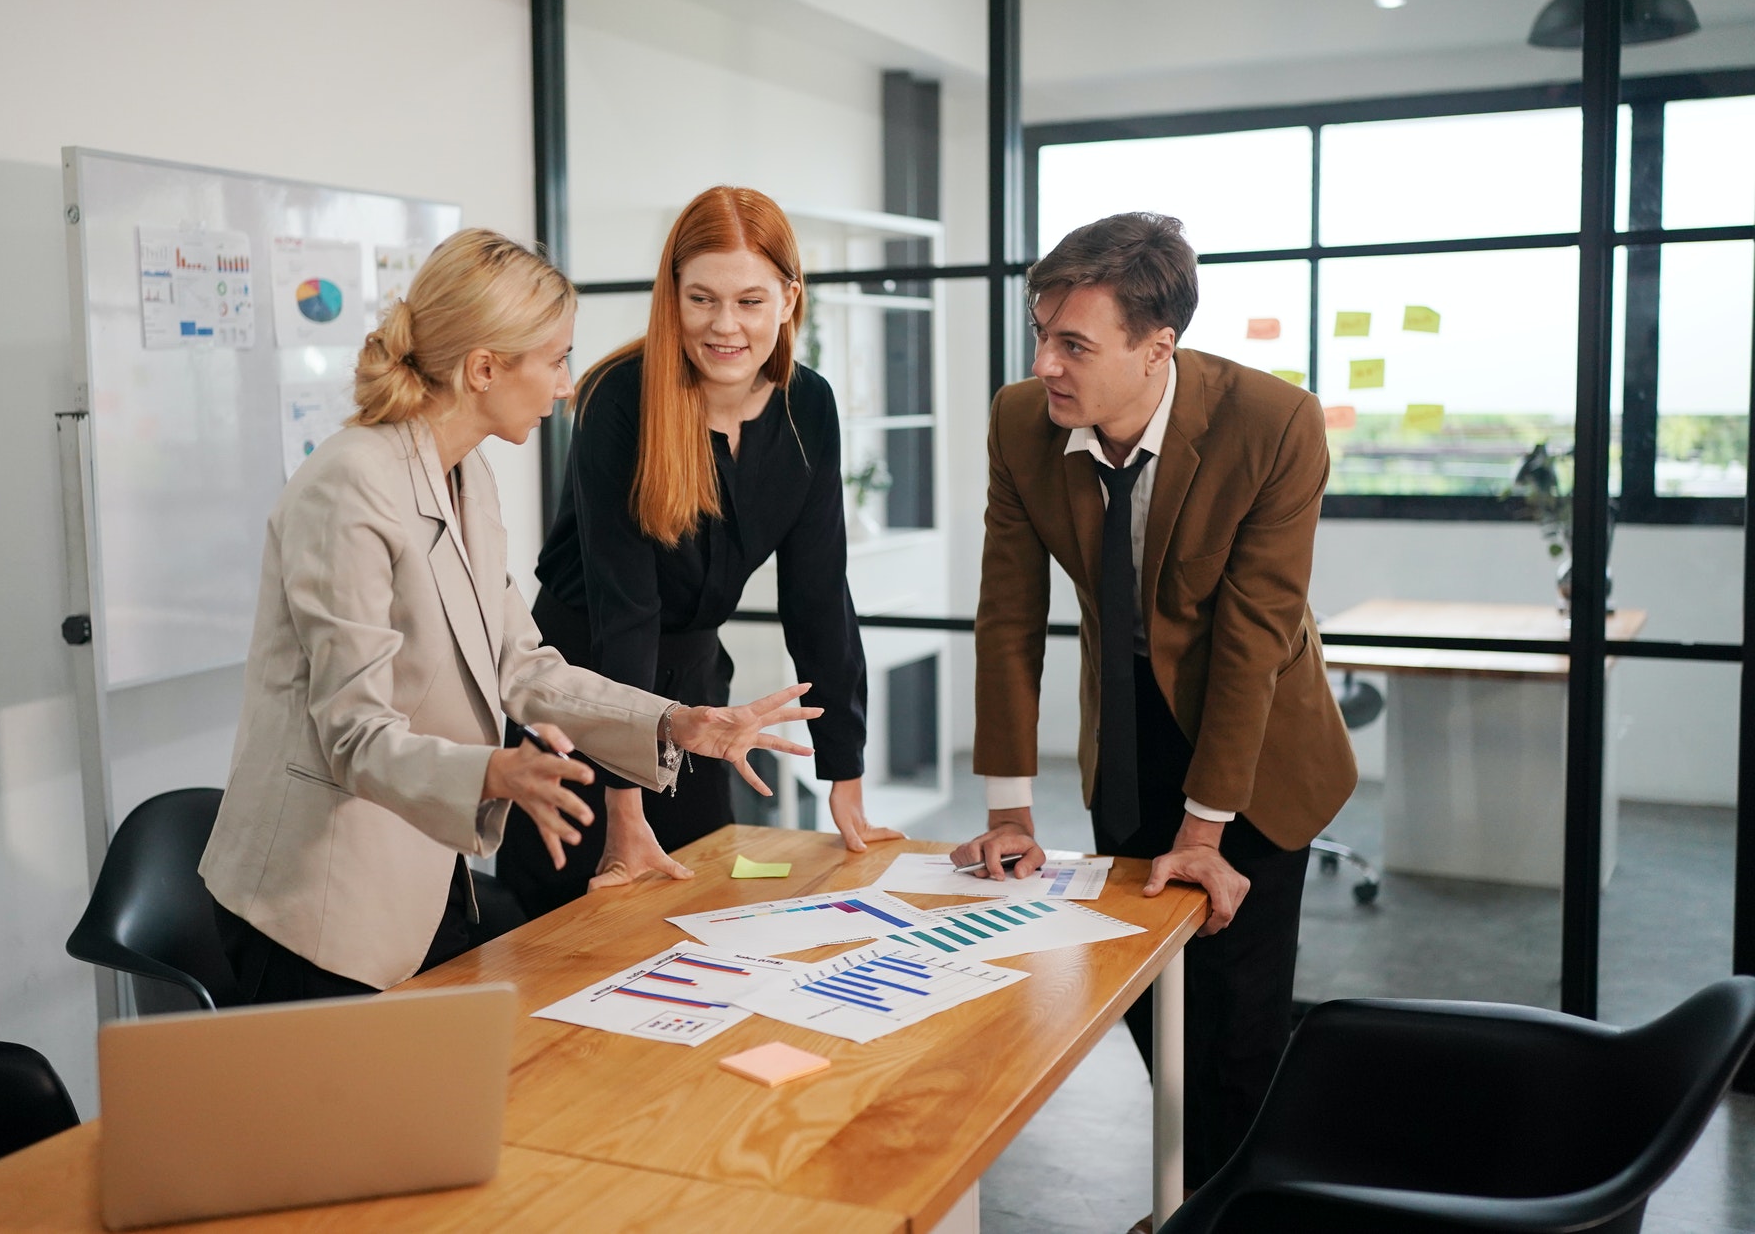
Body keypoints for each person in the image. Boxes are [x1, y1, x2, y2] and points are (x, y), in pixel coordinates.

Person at [200, 228, 819, 1004]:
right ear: (485, 368)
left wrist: (672, 721)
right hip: (314, 903)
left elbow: (522, 665)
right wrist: (495, 768)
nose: (567, 386)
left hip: (424, 875)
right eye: (556, 358)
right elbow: (353, 735)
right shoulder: (349, 486)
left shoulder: (470, 478)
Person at [950, 212, 1356, 1201]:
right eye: (1040, 332)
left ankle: (1225, 1210)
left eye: (1072, 343)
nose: (1044, 362)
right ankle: (1197, 1195)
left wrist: (1205, 824)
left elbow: (1252, 639)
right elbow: (1008, 613)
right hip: (1127, 723)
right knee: (1143, 986)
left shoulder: (1273, 424)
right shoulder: (1020, 421)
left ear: (1154, 346)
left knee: (1236, 1023)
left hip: (1255, 741)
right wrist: (1008, 805)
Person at [497, 186, 898, 919]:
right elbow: (626, 610)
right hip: (582, 686)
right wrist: (625, 806)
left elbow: (819, 601)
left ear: (788, 297)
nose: (725, 326)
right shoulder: (620, 398)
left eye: (750, 301)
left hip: (696, 688)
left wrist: (846, 778)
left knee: (699, 914)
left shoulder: (808, 407)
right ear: (671, 296)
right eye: (702, 299)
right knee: (566, 927)